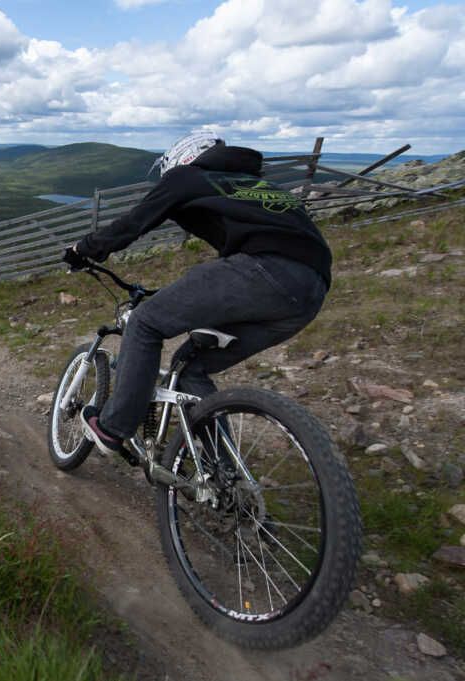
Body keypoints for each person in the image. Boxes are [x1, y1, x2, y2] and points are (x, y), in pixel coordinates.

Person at [63, 130, 332, 459]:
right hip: (311, 288)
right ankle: (224, 467)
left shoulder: (186, 177)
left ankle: (113, 427)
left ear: (181, 160)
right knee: (190, 367)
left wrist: (83, 249)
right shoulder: (252, 184)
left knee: (146, 322)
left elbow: (133, 223)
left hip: (264, 268)